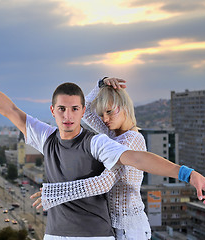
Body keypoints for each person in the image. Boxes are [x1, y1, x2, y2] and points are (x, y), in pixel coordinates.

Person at [0, 58, 205, 240]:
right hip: (55, 234)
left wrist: (187, 174)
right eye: (61, 109)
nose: (68, 116)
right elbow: (10, 110)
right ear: (53, 111)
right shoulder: (46, 137)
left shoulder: (99, 142)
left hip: (103, 233)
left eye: (75, 109)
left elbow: (135, 159)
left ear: (82, 110)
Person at [31, 77, 151, 239]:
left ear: (124, 107)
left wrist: (55, 193)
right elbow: (85, 110)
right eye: (102, 114)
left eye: (109, 112)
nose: (105, 119)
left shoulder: (131, 139)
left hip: (130, 229)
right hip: (112, 225)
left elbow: (104, 183)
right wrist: (101, 84)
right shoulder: (112, 133)